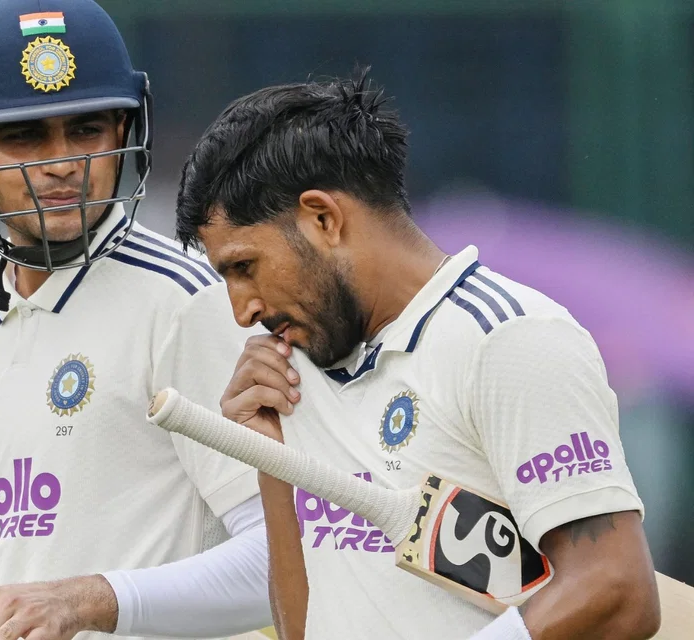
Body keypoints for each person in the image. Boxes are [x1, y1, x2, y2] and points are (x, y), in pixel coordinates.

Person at [174, 68, 662, 640]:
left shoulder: (508, 340)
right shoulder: (296, 371)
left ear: (323, 218)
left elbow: (615, 588)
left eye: (244, 267)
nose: (242, 310)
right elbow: (305, 626)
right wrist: (271, 460)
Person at [0, 1, 273, 639]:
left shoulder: (190, 301)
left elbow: (281, 562)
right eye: (25, 135)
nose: (62, 163)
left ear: (123, 132)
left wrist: (89, 602)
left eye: (85, 129)